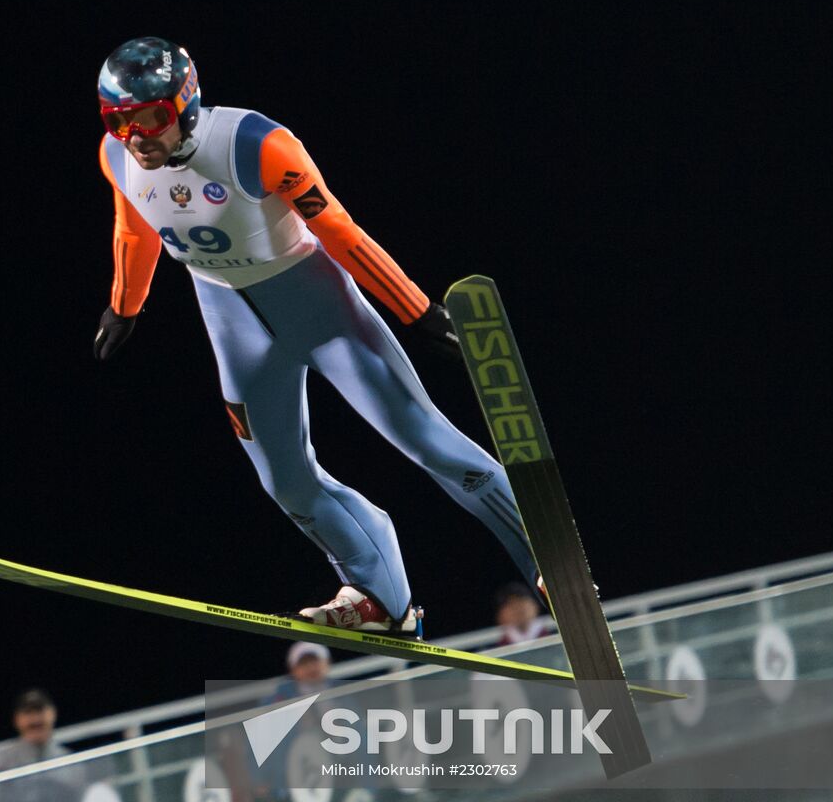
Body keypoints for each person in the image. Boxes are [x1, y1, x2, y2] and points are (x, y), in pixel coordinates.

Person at [93, 37, 538, 634]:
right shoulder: (117, 156)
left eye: (150, 117)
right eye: (119, 121)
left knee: (424, 439)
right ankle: (381, 597)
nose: (136, 137)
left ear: (186, 102)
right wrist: (125, 307)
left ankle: (546, 561)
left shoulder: (256, 145)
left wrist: (416, 310)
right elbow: (135, 230)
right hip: (233, 322)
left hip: (318, 307)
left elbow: (338, 230)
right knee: (286, 481)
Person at [495, 581, 550, 645]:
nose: (517, 608)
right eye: (510, 604)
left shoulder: (555, 632)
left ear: (535, 606)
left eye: (522, 600)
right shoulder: (492, 646)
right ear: (499, 616)